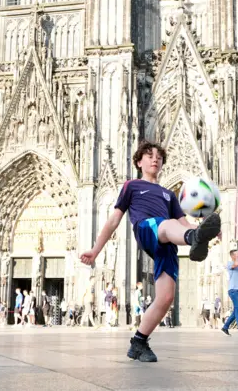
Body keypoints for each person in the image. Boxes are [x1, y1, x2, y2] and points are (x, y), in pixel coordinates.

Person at [80, 141, 222, 362]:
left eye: (159, 156)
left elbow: (183, 223)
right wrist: (95, 250)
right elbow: (113, 221)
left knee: (166, 297)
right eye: (149, 155)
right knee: (164, 225)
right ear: (139, 162)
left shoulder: (169, 195)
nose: (155, 159)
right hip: (148, 229)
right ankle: (193, 239)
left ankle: (139, 342)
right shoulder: (132, 186)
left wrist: (207, 231)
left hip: (168, 241)